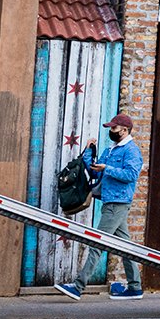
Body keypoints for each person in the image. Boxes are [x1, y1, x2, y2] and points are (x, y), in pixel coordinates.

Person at [54, 113, 145, 300]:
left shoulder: (131, 150)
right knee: (125, 247)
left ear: (124, 130)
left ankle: (78, 286)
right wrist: (89, 150)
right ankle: (135, 287)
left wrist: (107, 169)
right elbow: (94, 170)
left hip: (118, 203)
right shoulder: (111, 149)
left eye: (114, 128)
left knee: (97, 243)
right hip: (109, 201)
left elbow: (131, 175)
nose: (111, 131)